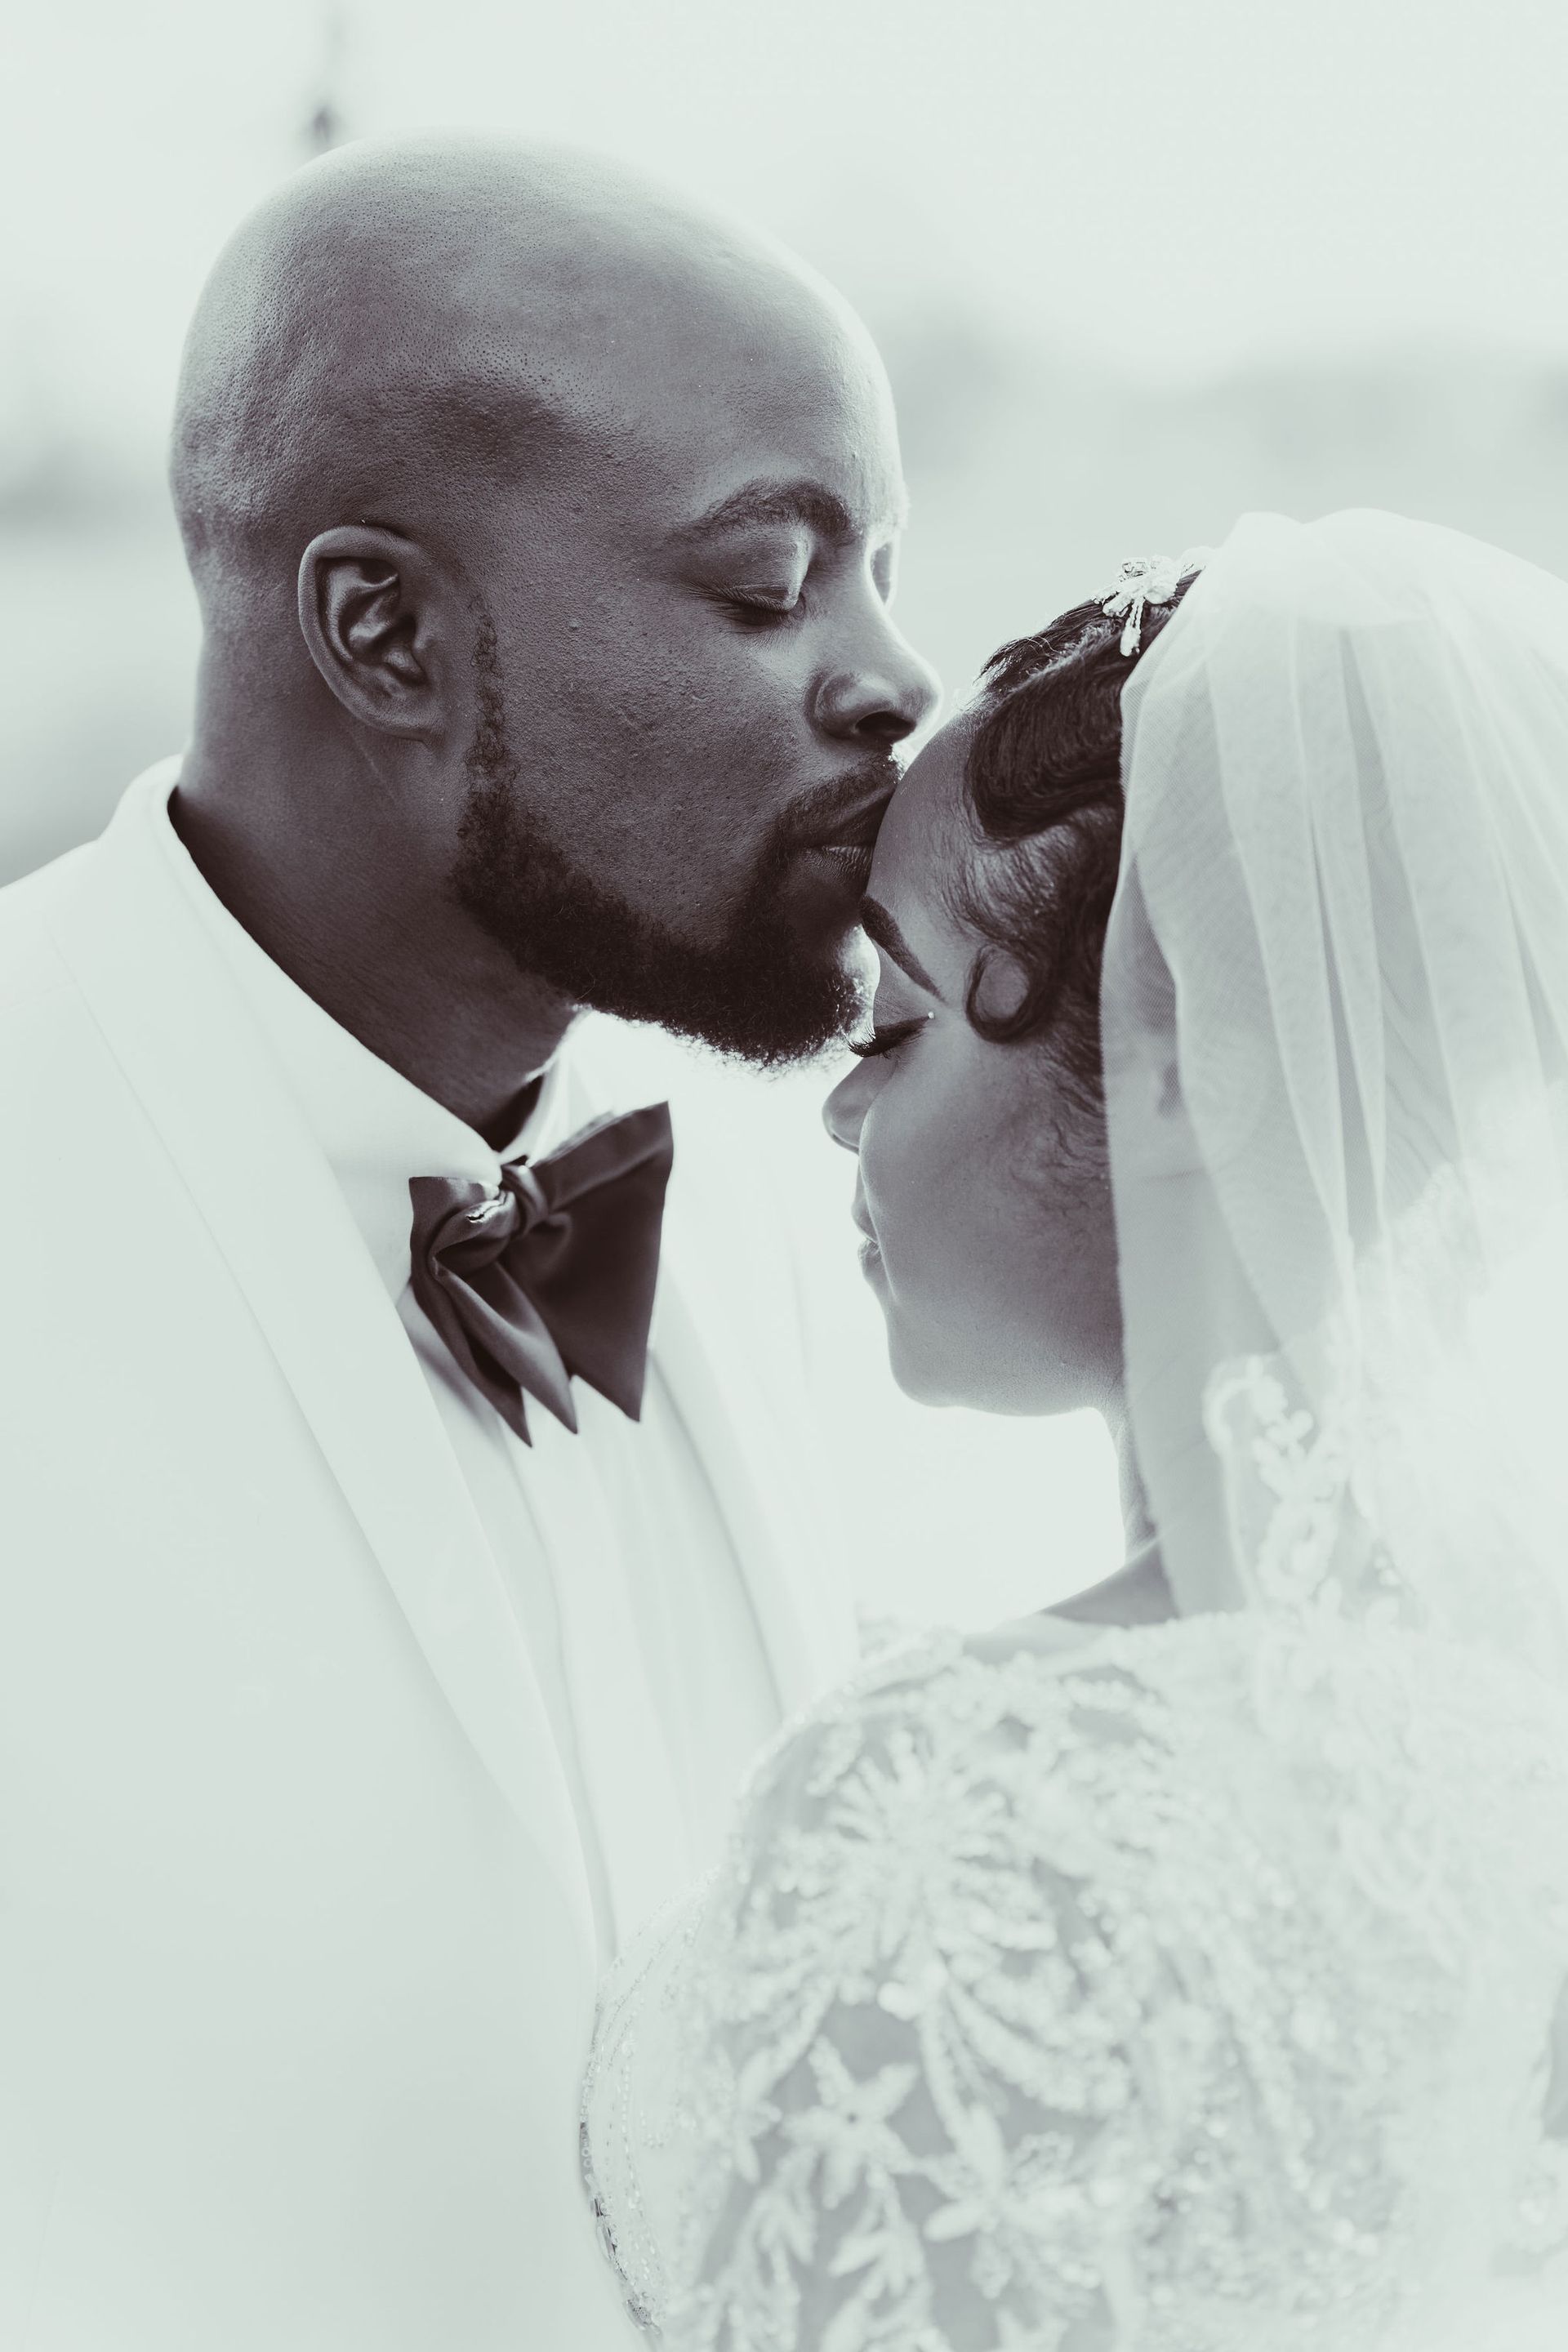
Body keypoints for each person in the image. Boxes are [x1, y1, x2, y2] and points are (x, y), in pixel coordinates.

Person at [0, 136, 937, 2350]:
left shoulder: (828, 1203)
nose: (898, 678)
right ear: (385, 632)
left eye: (888, 565)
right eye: (773, 577)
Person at [582, 511, 1568, 2350]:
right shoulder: (1519, 1711)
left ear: (1190, 1043)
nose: (840, 1117)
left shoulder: (990, 1799)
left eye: (898, 1021)